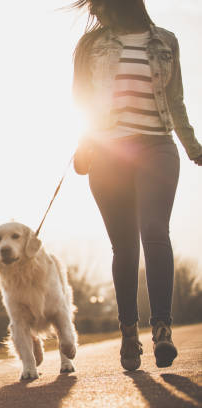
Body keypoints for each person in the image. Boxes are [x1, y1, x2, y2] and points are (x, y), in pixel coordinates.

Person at [70, 0, 202, 372]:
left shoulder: (165, 41)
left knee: (155, 232)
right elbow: (81, 101)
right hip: (109, 153)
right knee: (124, 248)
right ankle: (129, 333)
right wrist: (84, 147)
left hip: (157, 147)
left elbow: (175, 101)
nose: (95, 11)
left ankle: (162, 330)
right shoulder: (90, 47)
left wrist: (192, 146)